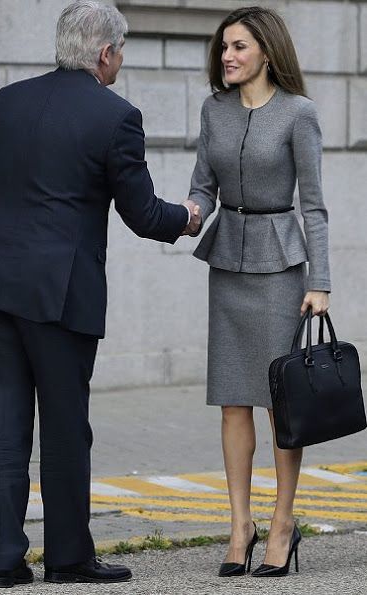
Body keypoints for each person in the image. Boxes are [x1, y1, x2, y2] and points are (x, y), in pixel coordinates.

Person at [0, 0, 200, 588]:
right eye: (121, 52)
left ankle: (5, 565)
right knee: (65, 426)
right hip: (59, 296)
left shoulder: (7, 100)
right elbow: (142, 213)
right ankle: (68, 556)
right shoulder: (115, 116)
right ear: (105, 53)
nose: (120, 62)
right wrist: (188, 217)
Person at [188, 5, 330, 578]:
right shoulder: (213, 110)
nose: (228, 55)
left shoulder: (300, 113)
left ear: (266, 52)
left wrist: (320, 281)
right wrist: (191, 209)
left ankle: (282, 522)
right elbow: (203, 181)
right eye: (225, 46)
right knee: (232, 399)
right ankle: (239, 524)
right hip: (228, 262)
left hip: (281, 268)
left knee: (280, 402)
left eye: (240, 46)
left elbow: (313, 205)